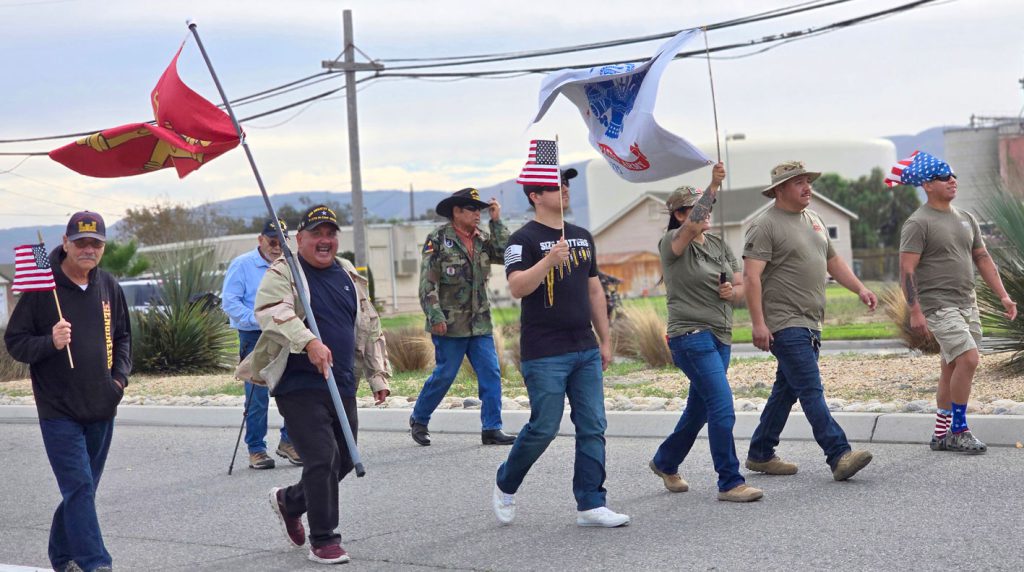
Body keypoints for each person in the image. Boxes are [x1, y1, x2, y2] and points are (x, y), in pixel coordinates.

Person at [236, 205, 391, 564]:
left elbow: (369, 324)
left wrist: (376, 374)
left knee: (346, 458)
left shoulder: (347, 272)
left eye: (331, 234)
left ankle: (289, 502)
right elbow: (273, 311)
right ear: (299, 239)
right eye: (317, 234)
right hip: (299, 381)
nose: (325, 241)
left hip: (341, 380)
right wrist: (309, 341)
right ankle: (325, 539)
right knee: (322, 456)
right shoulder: (284, 271)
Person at [492, 168, 630, 528]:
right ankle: (506, 481)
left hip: (584, 347)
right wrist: (548, 261)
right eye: (555, 185)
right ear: (535, 196)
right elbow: (518, 287)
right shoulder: (520, 240)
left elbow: (594, 289)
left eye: (567, 183)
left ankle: (591, 503)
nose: (564, 189)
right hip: (545, 351)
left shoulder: (582, 237)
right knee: (544, 428)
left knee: (592, 425)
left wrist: (605, 339)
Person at [5, 211, 131, 572]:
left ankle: (62, 557)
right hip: (59, 411)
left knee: (82, 489)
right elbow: (15, 342)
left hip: (103, 404)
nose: (88, 250)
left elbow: (123, 337)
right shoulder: (43, 288)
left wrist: (119, 381)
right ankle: (96, 563)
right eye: (81, 243)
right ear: (65, 243)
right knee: (78, 487)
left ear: (103, 247)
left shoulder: (108, 285)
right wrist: (50, 342)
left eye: (96, 243)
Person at [743, 161, 875, 481]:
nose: (807, 187)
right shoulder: (765, 225)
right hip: (784, 321)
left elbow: (833, 260)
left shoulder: (814, 219)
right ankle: (838, 453)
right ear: (779, 190)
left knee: (786, 390)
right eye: (798, 182)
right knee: (810, 388)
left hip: (811, 321)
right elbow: (751, 277)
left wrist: (859, 288)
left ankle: (760, 453)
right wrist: (759, 323)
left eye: (807, 181)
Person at [648, 163, 764, 503]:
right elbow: (693, 224)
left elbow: (741, 286)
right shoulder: (672, 243)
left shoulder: (719, 245)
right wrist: (713, 185)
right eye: (695, 207)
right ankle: (729, 481)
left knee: (699, 410)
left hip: (720, 336)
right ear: (679, 214)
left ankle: (665, 461)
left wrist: (734, 294)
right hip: (690, 335)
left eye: (705, 205)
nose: (704, 212)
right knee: (721, 405)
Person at [898, 152, 1017, 453]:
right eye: (943, 176)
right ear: (927, 184)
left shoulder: (967, 219)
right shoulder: (917, 223)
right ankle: (959, 430)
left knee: (951, 367)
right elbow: (907, 270)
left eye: (953, 175)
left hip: (968, 303)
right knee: (969, 359)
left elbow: (982, 258)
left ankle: (940, 434)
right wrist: (915, 310)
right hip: (938, 305)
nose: (952, 180)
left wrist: (1003, 295)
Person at [411, 188, 515, 446]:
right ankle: (419, 418)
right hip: (449, 324)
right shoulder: (437, 239)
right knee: (445, 375)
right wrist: (435, 315)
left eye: (480, 209)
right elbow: (428, 284)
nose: (477, 214)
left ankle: (492, 428)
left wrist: (497, 220)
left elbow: (505, 254)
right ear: (456, 212)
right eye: (472, 209)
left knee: (491, 373)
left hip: (479, 323)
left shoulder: (482, 239)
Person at [221, 218, 301, 469]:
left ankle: (288, 442)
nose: (277, 247)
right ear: (261, 240)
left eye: (281, 242)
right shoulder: (242, 265)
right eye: (272, 241)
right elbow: (230, 302)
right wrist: (259, 320)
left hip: (286, 334)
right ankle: (256, 449)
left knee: (293, 390)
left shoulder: (290, 265)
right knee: (257, 396)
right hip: (254, 335)